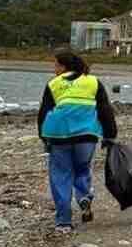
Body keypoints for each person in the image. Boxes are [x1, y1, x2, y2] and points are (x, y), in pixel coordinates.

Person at [38, 50, 117, 232]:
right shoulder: (93, 82)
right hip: (86, 135)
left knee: (61, 175)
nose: (54, 69)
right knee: (82, 168)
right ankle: (84, 197)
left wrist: (43, 137)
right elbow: (105, 110)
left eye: (56, 65)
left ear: (64, 66)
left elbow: (44, 113)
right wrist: (109, 135)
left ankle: (63, 222)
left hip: (58, 136)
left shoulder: (53, 84)